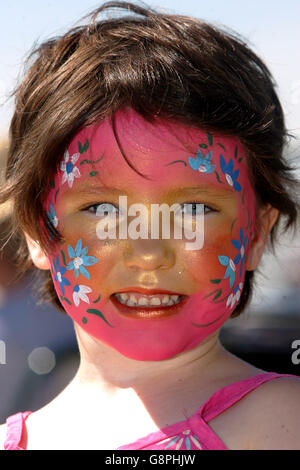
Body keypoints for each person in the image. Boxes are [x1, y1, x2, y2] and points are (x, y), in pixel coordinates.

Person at [0, 1, 299, 450]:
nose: (148, 251)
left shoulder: (282, 420)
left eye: (193, 211)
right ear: (39, 231)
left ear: (255, 234)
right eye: (104, 211)